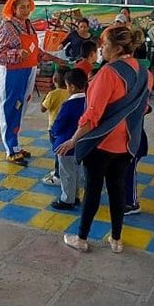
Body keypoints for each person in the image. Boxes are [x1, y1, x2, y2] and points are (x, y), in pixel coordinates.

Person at [54, 26, 151, 253]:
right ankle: (116, 240)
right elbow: (143, 108)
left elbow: (92, 116)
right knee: (118, 192)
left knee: (93, 192)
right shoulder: (144, 73)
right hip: (127, 144)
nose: (101, 48)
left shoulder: (108, 74)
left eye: (105, 45)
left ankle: (81, 238)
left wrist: (73, 140)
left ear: (117, 48)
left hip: (101, 143)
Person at [0, 0, 63, 165]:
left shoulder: (29, 26)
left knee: (20, 109)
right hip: (12, 74)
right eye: (21, 7)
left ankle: (15, 145)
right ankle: (10, 149)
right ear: (13, 9)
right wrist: (16, 53)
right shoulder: (7, 28)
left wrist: (53, 58)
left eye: (27, 6)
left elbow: (34, 51)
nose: (25, 10)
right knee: (10, 109)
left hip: (29, 71)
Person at [50, 69, 88, 211]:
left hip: (65, 144)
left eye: (66, 85)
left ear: (72, 87)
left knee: (66, 174)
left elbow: (59, 124)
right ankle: (75, 196)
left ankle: (67, 199)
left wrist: (53, 132)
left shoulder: (69, 105)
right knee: (76, 171)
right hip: (81, 143)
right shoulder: (88, 101)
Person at [40, 67, 72, 187]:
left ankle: (58, 175)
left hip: (54, 128)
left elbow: (42, 109)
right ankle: (60, 170)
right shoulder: (70, 92)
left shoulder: (52, 94)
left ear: (54, 79)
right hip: (68, 128)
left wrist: (46, 95)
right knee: (65, 151)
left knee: (58, 152)